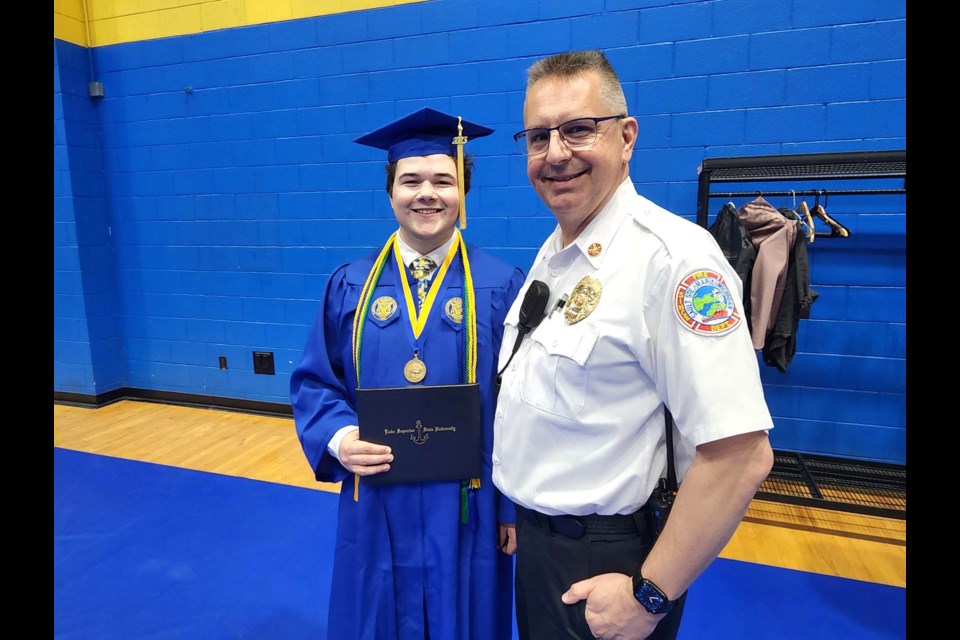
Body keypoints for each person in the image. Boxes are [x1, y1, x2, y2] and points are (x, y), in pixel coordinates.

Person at [492, 50, 775, 640]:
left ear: (626, 137)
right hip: (542, 550)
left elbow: (742, 456)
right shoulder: (556, 253)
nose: (556, 153)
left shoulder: (673, 260)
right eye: (539, 136)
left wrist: (650, 595)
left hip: (608, 565)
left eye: (577, 129)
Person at [290, 107, 525, 640]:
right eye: (410, 180)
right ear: (390, 191)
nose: (427, 193)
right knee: (376, 606)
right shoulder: (349, 285)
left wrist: (512, 507)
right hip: (378, 491)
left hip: (471, 498)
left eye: (444, 180)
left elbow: (520, 404)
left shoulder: (501, 285)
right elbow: (315, 381)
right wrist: (340, 438)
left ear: (463, 190)